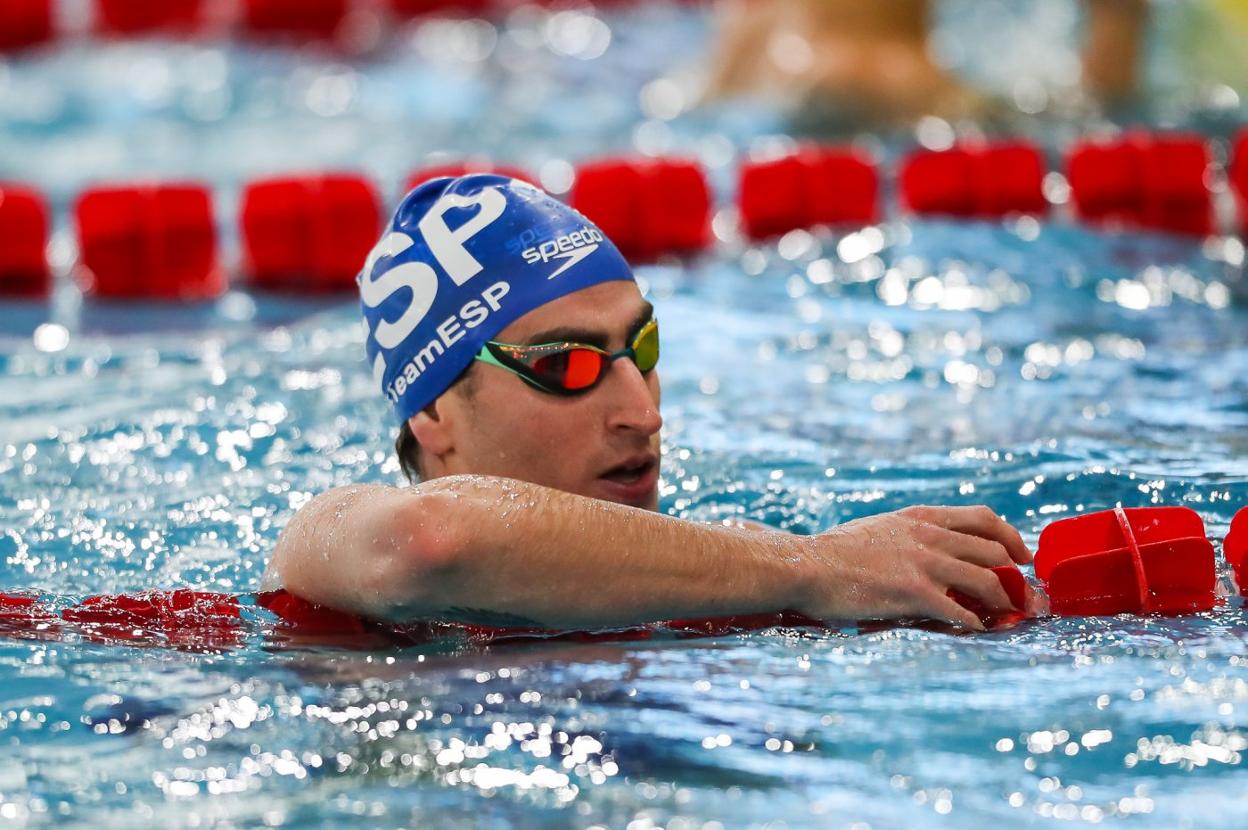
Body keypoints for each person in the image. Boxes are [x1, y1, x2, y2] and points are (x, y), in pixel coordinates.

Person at [263, 174, 1034, 633]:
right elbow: (432, 539)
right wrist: (814, 565)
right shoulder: (331, 546)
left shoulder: (716, 563)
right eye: (566, 366)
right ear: (433, 413)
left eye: (644, 349)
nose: (643, 410)